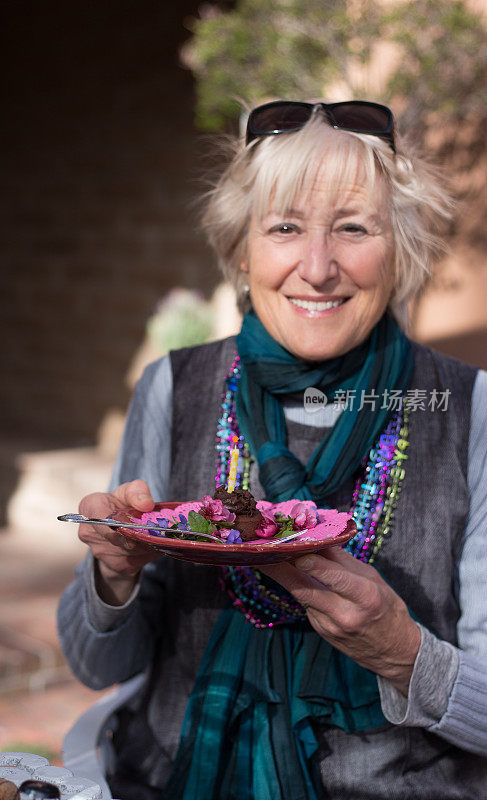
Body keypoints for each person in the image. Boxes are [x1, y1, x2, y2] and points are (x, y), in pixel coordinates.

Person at [58, 100, 487, 800]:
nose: (316, 268)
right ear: (241, 250)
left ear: (400, 249)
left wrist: (403, 656)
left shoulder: (469, 409)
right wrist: (113, 577)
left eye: (353, 228)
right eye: (284, 227)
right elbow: (95, 665)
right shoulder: (175, 386)